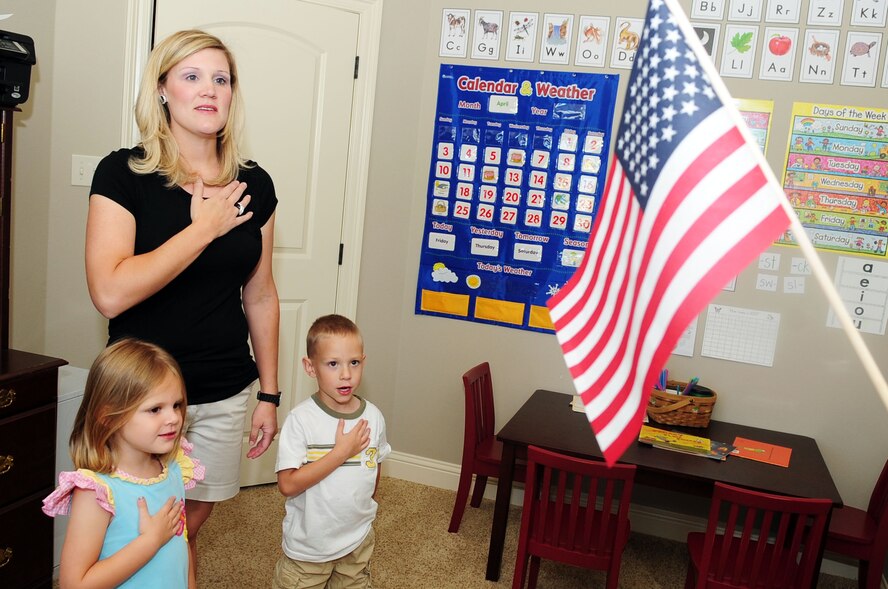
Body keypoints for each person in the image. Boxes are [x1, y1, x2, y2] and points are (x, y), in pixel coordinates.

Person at [84, 29, 281, 574]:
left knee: (185, 524)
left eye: (220, 79)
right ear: (163, 88)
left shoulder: (254, 186)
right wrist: (203, 230)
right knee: (131, 522)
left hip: (223, 388)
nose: (208, 90)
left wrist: (270, 391)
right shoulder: (124, 174)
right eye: (191, 76)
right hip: (140, 391)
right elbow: (109, 292)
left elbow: (261, 294)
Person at [42, 338, 204, 588]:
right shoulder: (97, 491)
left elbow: (181, 547)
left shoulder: (174, 467)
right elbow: (74, 584)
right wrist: (150, 542)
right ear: (108, 417)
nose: (174, 417)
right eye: (155, 409)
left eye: (177, 405)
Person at [274, 315, 391, 589]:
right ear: (310, 367)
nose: (346, 374)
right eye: (333, 364)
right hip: (309, 549)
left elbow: (376, 462)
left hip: (357, 539)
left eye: (354, 362)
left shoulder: (373, 417)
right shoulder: (301, 420)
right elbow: (288, 484)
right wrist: (341, 453)